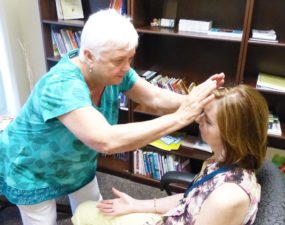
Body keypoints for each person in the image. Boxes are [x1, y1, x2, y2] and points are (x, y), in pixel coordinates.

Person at [0, 9, 224, 225]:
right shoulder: (62, 85)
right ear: (89, 56)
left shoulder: (115, 71)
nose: (126, 68)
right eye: (119, 60)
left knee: (96, 216)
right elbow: (105, 140)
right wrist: (180, 118)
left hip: (76, 162)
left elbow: (155, 97)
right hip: (32, 167)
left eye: (130, 58)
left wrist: (194, 99)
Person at [72, 84, 269, 225]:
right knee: (88, 210)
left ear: (232, 135)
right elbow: (191, 200)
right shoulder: (221, 161)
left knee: (84, 214)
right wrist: (136, 205)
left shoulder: (227, 198)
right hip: (172, 217)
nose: (198, 119)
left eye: (207, 121)